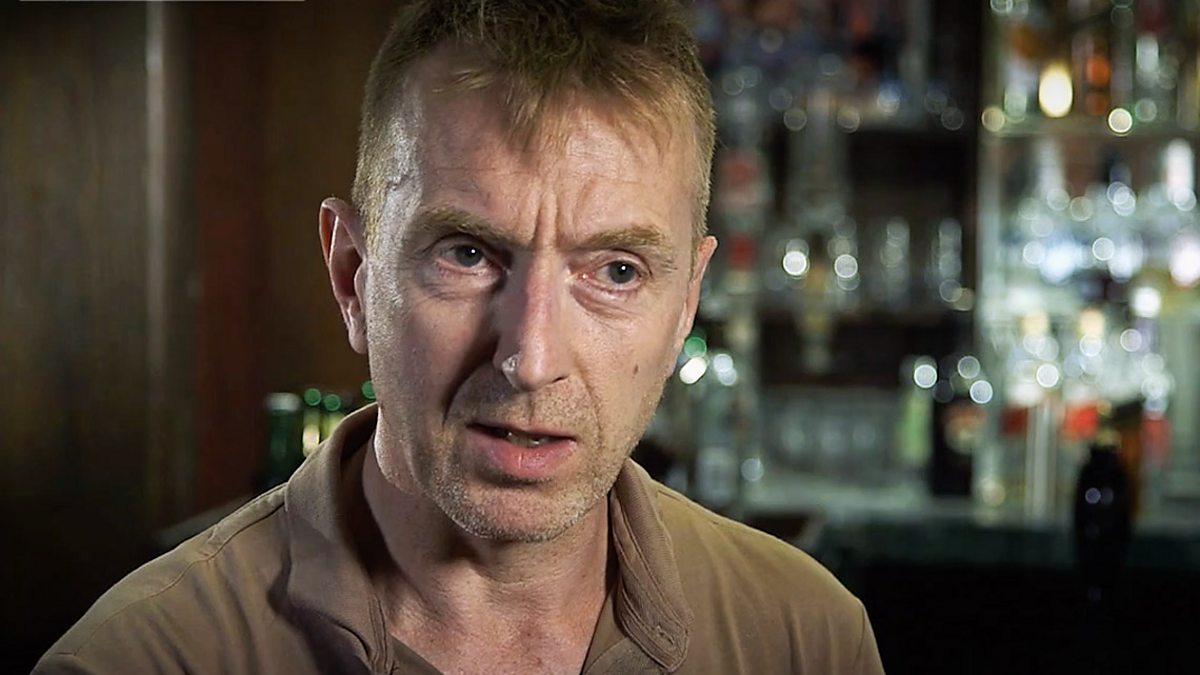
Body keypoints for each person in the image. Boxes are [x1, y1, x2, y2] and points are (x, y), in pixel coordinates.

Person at [37, 1, 885, 673]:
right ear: (353, 276)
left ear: (686, 304)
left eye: (617, 270)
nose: (531, 359)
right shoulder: (143, 658)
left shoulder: (805, 638)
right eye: (469, 254)